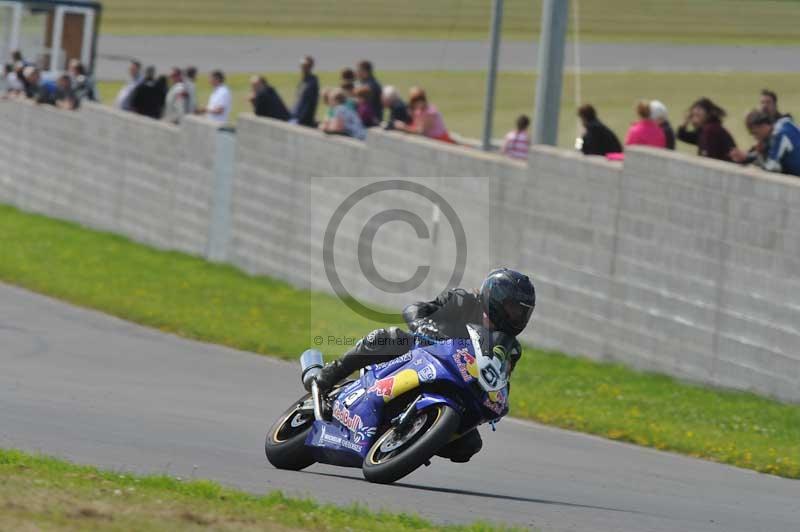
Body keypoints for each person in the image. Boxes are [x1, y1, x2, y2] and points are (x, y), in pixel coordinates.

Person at [314, 268, 536, 463]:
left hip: (460, 384)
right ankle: (330, 373)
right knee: (384, 337)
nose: (516, 317)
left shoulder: (510, 347)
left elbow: (499, 376)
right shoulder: (462, 300)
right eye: (512, 309)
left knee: (468, 447)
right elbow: (416, 308)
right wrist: (423, 324)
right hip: (422, 352)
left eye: (522, 312)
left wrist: (498, 396)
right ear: (494, 297)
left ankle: (417, 437)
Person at [730, 111, 800, 177]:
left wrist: (760, 154)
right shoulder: (781, 125)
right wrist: (746, 157)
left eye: (755, 133)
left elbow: (771, 167)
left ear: (763, 126)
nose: (756, 138)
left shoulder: (779, 136)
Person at [291, 55, 319, 127]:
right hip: (295, 116)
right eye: (302, 66)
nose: (303, 68)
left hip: (303, 121)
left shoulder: (312, 82)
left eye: (306, 66)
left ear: (310, 67)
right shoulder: (303, 82)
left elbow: (309, 104)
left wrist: (300, 120)